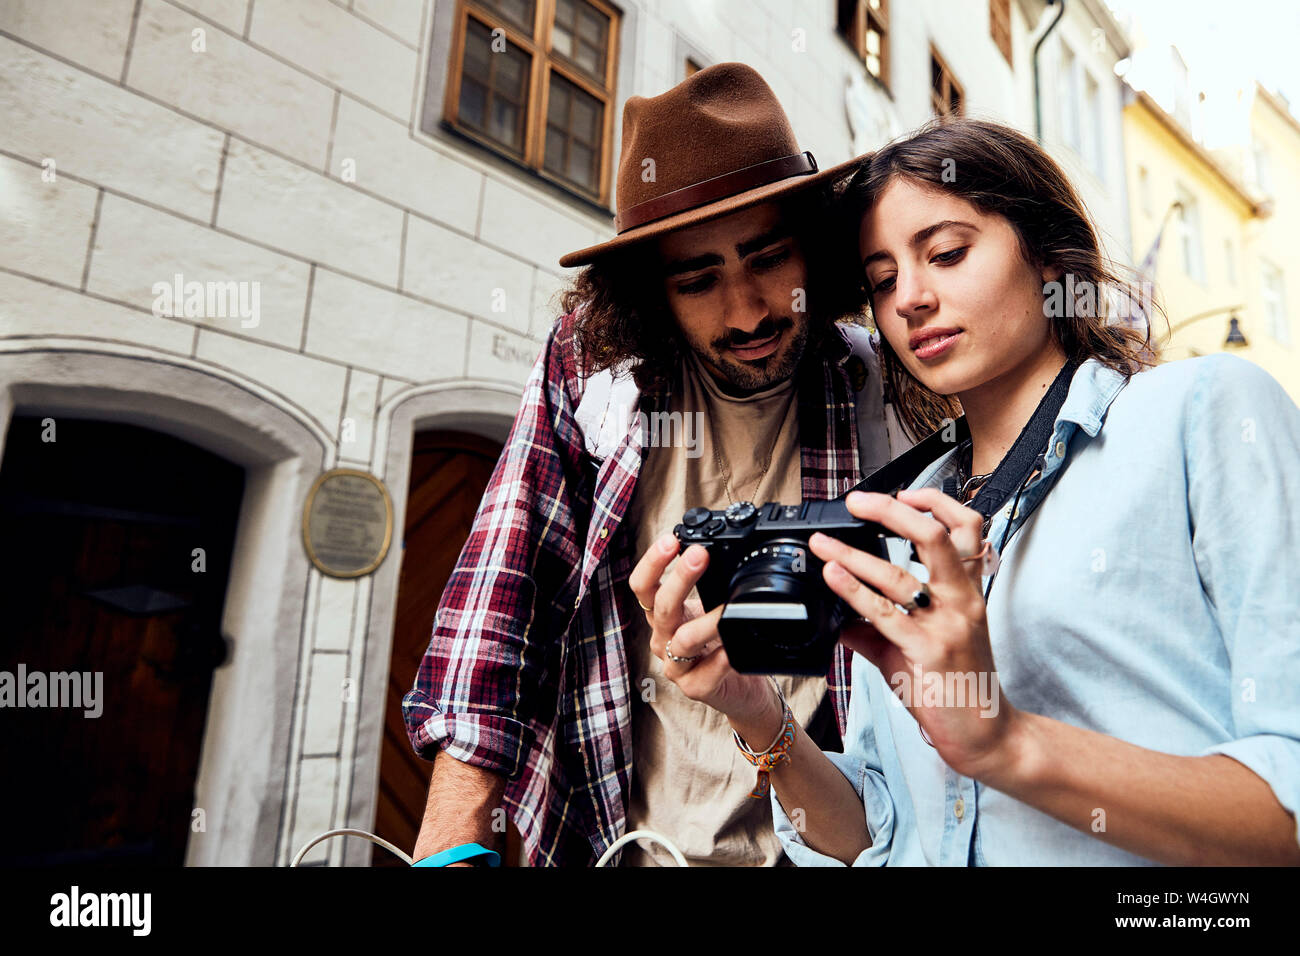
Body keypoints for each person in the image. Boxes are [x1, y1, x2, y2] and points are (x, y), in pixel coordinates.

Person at [635, 116, 1300, 865]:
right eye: (883, 282)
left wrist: (1006, 742)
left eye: (947, 254)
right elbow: (873, 839)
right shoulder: (895, 519)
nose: (910, 298)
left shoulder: (1200, 411)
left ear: (1049, 258)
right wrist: (758, 717)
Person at [402, 63, 907, 867]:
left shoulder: (882, 381)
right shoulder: (596, 378)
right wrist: (451, 836)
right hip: (616, 840)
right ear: (652, 295)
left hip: (831, 846)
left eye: (768, 258)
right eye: (699, 279)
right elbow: (505, 584)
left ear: (813, 248)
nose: (746, 312)